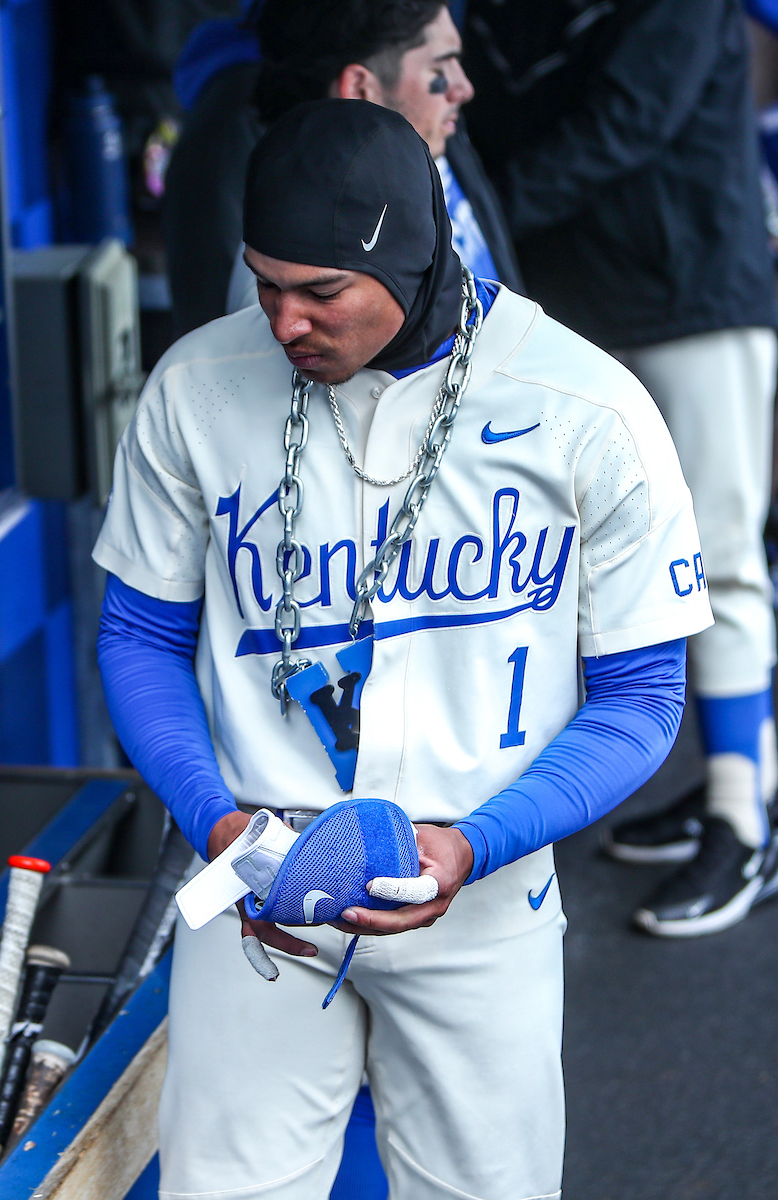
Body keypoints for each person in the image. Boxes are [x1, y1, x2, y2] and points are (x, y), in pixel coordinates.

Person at [95, 101, 711, 1198]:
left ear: (413, 258)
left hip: (484, 896)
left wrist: (474, 845)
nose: (282, 320)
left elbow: (640, 698)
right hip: (257, 893)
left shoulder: (584, 407)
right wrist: (217, 823)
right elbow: (139, 635)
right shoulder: (196, 384)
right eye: (263, 280)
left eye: (320, 291)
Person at [462, 0, 778, 936]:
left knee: (719, 560)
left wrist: (476, 221)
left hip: (692, 294)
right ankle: (729, 786)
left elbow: (627, 122)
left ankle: (740, 820)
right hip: (568, 308)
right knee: (580, 574)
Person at [164, 0, 522, 338]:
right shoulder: (232, 153)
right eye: (440, 68)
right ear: (360, 87)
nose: (463, 88)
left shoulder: (434, 129)